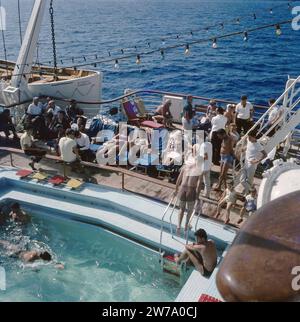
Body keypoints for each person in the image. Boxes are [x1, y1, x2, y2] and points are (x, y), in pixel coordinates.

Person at [175, 146, 202, 235]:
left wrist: (176, 190)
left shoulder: (185, 166)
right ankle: (186, 226)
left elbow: (178, 180)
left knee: (181, 209)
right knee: (189, 210)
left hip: (182, 188)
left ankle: (178, 226)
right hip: (191, 189)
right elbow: (198, 185)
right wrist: (197, 196)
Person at [0, 240, 64, 269]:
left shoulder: (34, 253)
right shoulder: (32, 256)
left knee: (7, 244)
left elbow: (25, 265)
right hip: (16, 253)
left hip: (17, 252)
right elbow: (25, 265)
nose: (40, 250)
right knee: (7, 246)